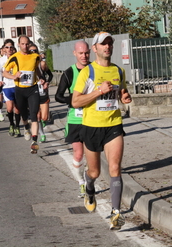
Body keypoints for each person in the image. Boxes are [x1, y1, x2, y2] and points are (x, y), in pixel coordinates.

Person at [72, 32, 132, 230]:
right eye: (103, 44)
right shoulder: (87, 72)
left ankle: (116, 213)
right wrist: (98, 91)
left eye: (109, 44)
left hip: (113, 124)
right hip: (91, 127)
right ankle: (89, 187)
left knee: (115, 168)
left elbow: (121, 92)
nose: (107, 47)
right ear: (95, 48)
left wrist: (124, 97)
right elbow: (75, 101)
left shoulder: (118, 71)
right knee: (95, 171)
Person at [55, 40, 90, 198]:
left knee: (91, 155)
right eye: (81, 53)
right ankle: (81, 183)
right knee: (78, 154)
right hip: (75, 120)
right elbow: (58, 96)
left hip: (92, 119)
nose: (84, 56)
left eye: (86, 53)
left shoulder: (94, 70)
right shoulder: (69, 73)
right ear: (75, 53)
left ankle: (89, 179)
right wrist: (73, 101)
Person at [2, 35, 46, 154]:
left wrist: (41, 78)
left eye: (27, 44)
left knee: (34, 114)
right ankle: (26, 127)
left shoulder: (35, 56)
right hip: (20, 90)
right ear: (19, 44)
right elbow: (5, 73)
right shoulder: (15, 57)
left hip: (33, 89)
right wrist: (14, 76)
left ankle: (34, 141)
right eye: (22, 44)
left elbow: (36, 70)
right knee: (23, 114)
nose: (25, 46)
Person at [29, 44, 53, 143]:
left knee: (44, 117)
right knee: (37, 116)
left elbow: (50, 75)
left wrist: (47, 82)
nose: (33, 53)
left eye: (35, 51)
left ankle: (46, 119)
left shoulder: (42, 64)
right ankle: (42, 134)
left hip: (43, 93)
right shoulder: (25, 65)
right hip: (33, 94)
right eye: (31, 51)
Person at [0, 39, 21, 137]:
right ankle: (11, 124)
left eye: (11, 47)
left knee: (17, 109)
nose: (9, 49)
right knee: (9, 107)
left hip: (17, 85)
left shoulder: (18, 58)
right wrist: (0, 80)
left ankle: (17, 126)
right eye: (7, 47)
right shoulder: (1, 60)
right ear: (4, 49)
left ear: (14, 48)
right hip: (7, 86)